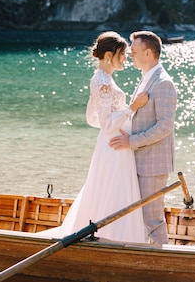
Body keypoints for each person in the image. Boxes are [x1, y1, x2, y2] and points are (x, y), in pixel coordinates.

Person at [57, 31, 149, 243]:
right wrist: (131, 109)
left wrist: (122, 125)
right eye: (122, 54)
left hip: (115, 142)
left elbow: (93, 118)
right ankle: (113, 237)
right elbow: (106, 123)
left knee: (112, 188)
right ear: (109, 55)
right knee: (113, 189)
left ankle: (113, 236)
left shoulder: (103, 79)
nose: (125, 59)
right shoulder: (102, 81)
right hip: (113, 145)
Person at [109, 31, 177, 244]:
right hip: (139, 162)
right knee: (139, 219)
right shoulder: (147, 79)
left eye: (134, 51)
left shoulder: (163, 83)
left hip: (152, 164)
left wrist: (131, 141)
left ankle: (161, 266)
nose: (130, 55)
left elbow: (164, 127)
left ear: (148, 53)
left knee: (152, 220)